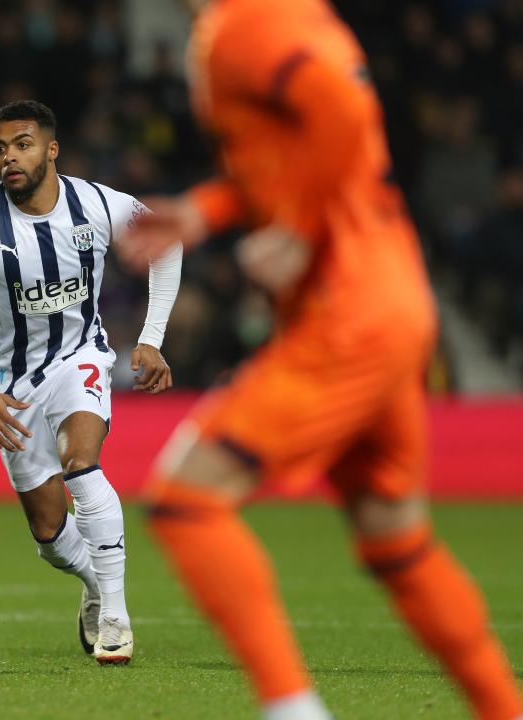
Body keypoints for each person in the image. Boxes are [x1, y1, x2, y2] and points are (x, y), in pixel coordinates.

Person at [119, 0, 523, 718]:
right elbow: (298, 153)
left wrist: (301, 229)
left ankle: (293, 709)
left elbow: (341, 112)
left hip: (347, 315)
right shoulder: (288, 15)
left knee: (187, 502)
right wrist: (203, 213)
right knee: (396, 543)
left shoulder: (244, 27)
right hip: (392, 298)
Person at [0, 101, 181, 664]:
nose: (10, 156)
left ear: (51, 149)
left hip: (82, 357)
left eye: (23, 144)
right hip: (10, 385)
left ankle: (116, 619)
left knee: (82, 463)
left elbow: (168, 242)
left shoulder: (98, 204)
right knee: (51, 534)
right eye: (0, 148)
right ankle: (94, 585)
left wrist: (151, 337)